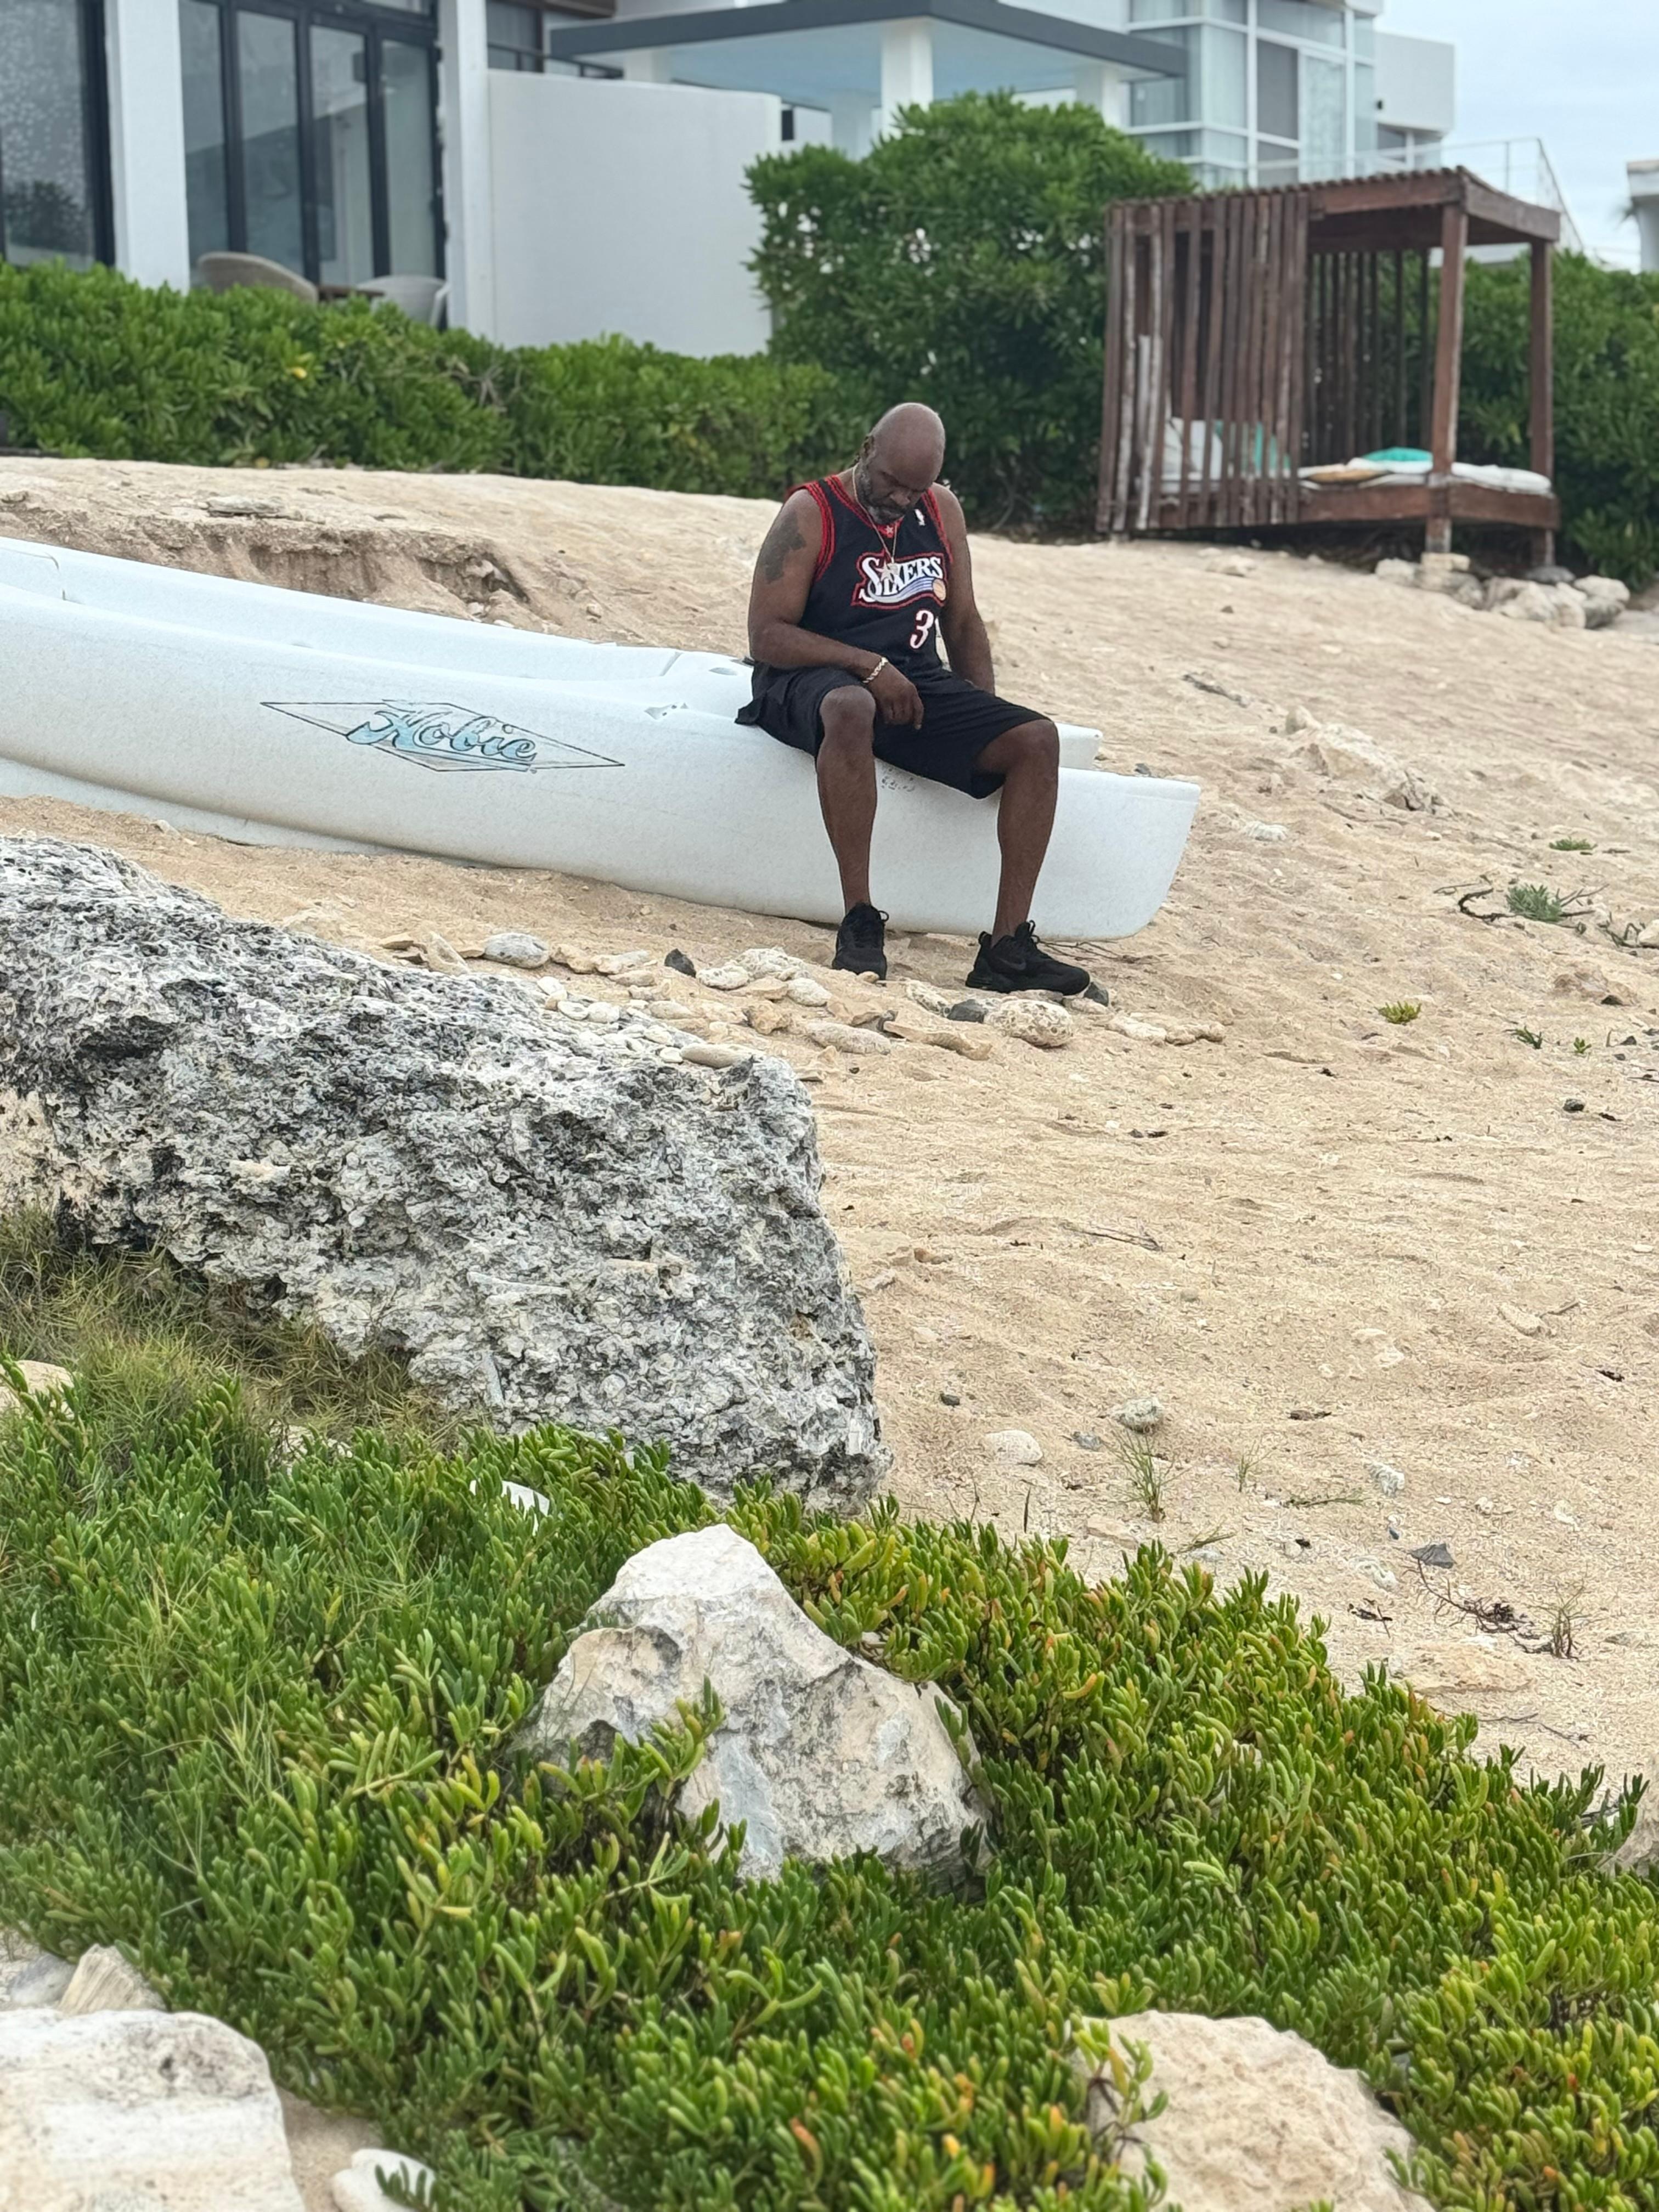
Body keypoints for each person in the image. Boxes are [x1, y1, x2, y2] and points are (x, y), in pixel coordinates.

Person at [738, 402, 1091, 994]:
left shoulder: (940, 509)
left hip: (909, 677)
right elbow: (766, 635)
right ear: (867, 447)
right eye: (891, 484)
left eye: (916, 489)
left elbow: (964, 621)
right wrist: (866, 665)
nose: (902, 499)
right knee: (853, 706)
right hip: (807, 675)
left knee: (1036, 740)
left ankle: (1006, 950)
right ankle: (858, 922)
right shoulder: (812, 511)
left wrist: (979, 723)